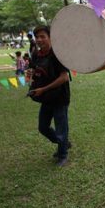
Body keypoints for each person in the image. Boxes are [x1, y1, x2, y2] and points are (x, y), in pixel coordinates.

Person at [27, 26, 71, 167]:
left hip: (59, 97)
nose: (39, 40)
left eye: (42, 36)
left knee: (61, 128)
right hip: (45, 97)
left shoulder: (58, 54)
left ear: (50, 37)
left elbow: (64, 77)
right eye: (37, 37)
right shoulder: (36, 54)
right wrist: (31, 76)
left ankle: (63, 154)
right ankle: (64, 143)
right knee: (43, 127)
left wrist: (43, 89)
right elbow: (35, 71)